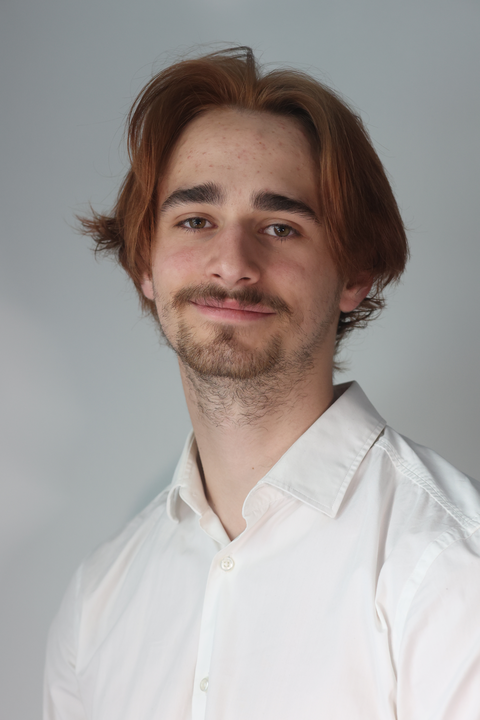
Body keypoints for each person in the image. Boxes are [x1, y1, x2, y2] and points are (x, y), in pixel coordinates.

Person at [44, 47, 480, 720]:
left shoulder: (450, 568)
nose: (232, 263)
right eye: (196, 220)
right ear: (146, 264)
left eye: (280, 227)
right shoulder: (97, 602)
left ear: (355, 274)